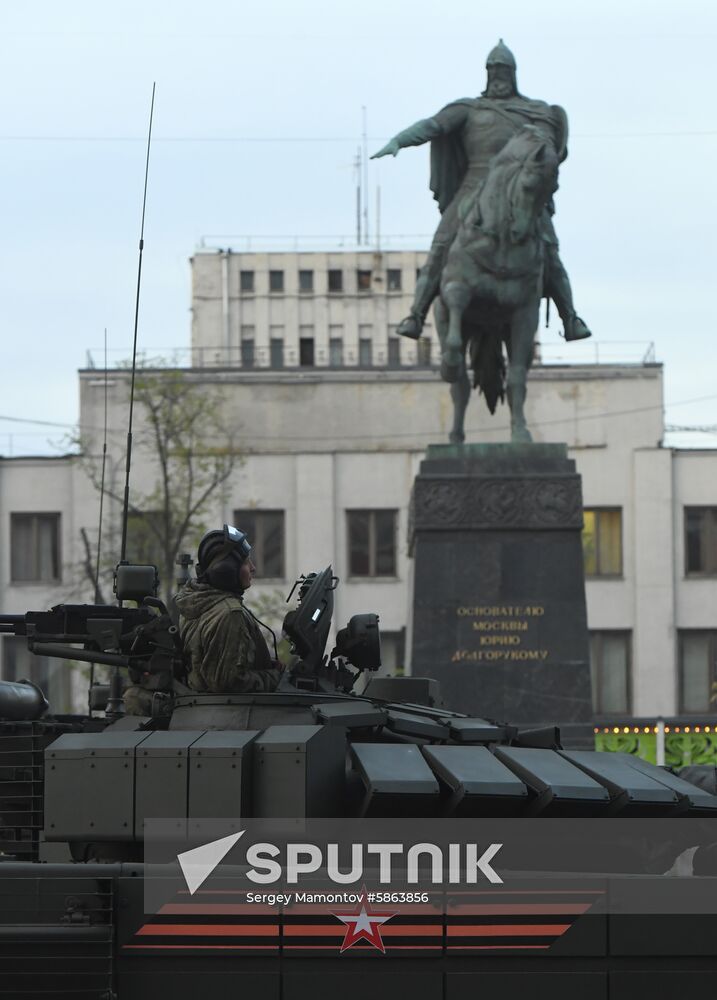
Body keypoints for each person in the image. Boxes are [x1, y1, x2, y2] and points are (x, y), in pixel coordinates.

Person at [372, 39, 591, 344]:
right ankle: (416, 314)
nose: (498, 76)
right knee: (441, 246)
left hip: (520, 193)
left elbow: (550, 152)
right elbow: (433, 126)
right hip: (473, 188)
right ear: (487, 73)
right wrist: (400, 140)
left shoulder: (536, 112)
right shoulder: (469, 109)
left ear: (513, 73)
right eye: (493, 70)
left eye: (503, 70)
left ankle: (570, 317)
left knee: (550, 250)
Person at [174, 524, 283, 693]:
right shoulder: (229, 614)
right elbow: (230, 683)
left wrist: (263, 666)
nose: (253, 568)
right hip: (232, 714)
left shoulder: (195, 601)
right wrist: (275, 676)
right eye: (247, 563)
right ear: (226, 571)